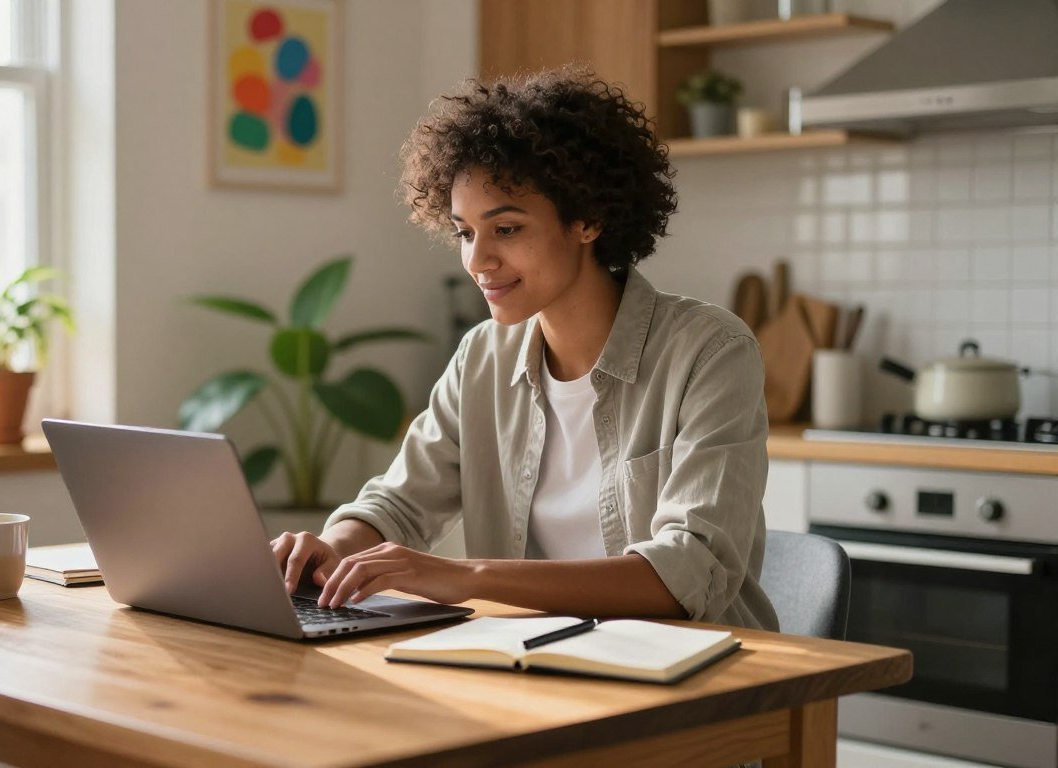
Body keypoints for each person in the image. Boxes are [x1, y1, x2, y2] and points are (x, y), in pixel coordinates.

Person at [270, 66, 778, 631]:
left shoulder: (710, 352)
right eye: (465, 232)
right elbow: (399, 505)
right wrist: (333, 548)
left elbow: (690, 570)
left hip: (702, 677)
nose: (477, 261)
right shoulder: (482, 357)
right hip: (535, 662)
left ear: (589, 218)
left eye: (506, 229)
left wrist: (465, 578)